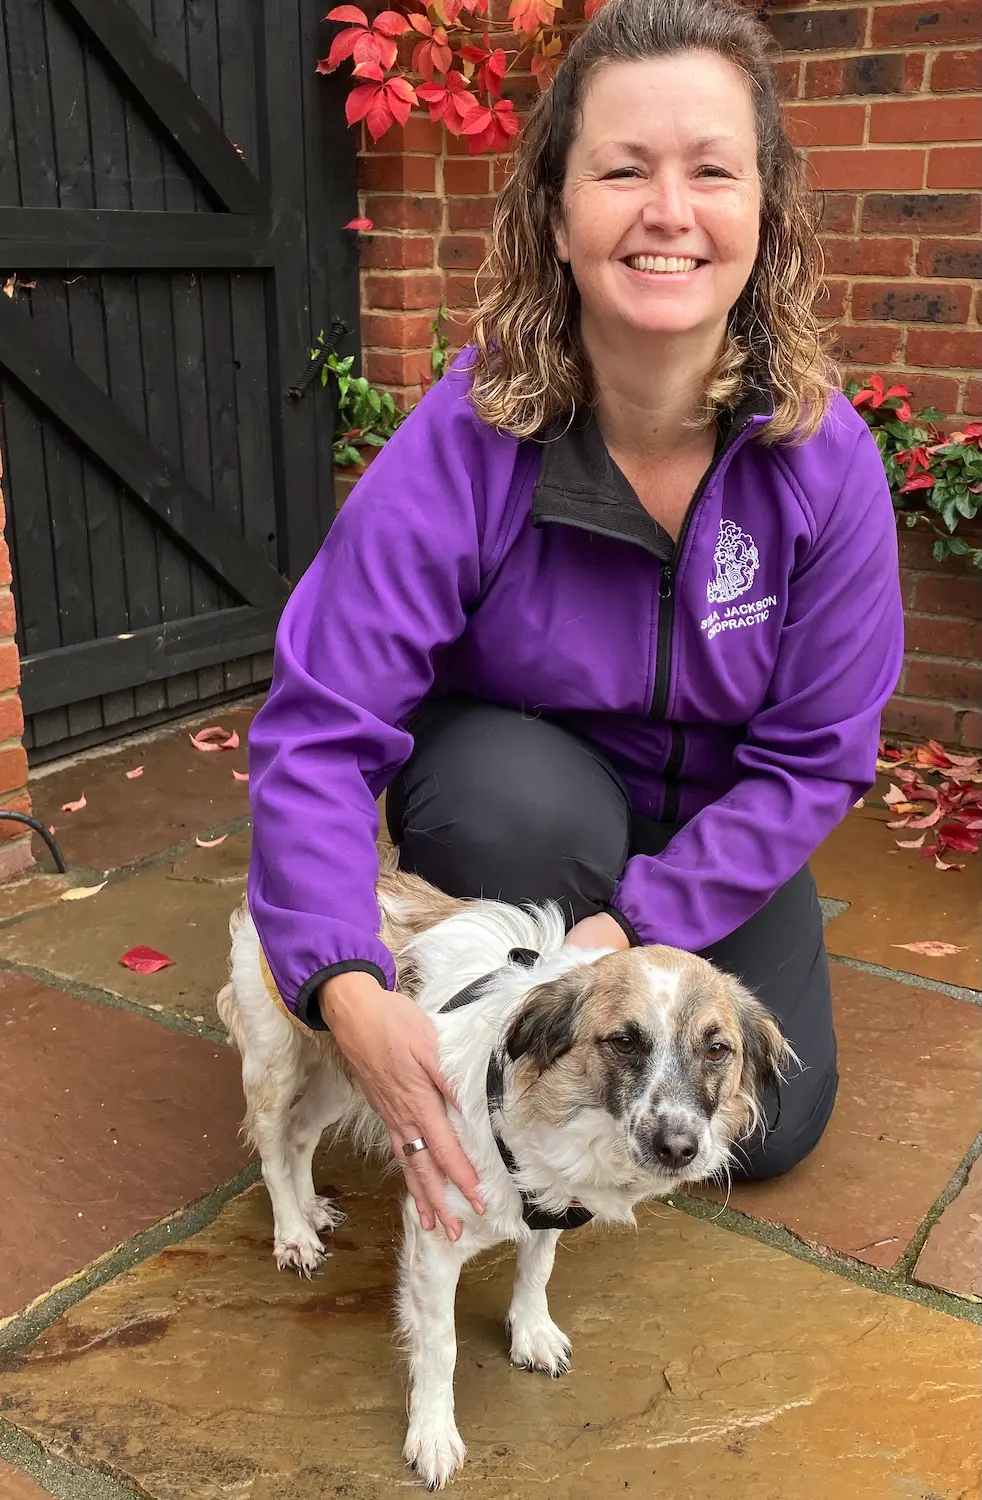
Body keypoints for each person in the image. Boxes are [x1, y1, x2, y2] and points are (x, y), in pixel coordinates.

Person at [248, 0, 904, 1244]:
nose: (668, 210)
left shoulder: (824, 464)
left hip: (714, 820)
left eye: (712, 170)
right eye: (621, 170)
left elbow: (816, 755)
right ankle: (505, 1026)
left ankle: (578, 987)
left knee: (770, 1124)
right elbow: (321, 727)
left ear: (764, 214)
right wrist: (336, 975)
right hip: (526, 794)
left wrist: (638, 926)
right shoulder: (466, 437)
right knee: (508, 812)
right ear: (555, 214)